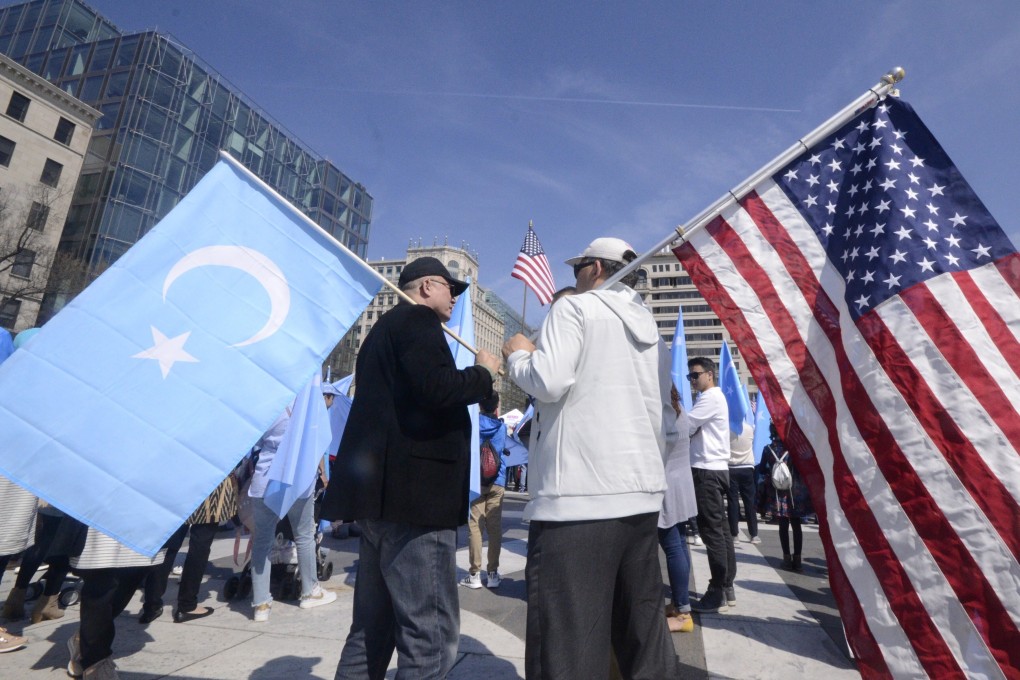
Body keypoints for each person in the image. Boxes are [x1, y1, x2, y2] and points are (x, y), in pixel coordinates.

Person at [502, 237, 679, 679]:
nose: (575, 275)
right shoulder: (653, 334)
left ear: (596, 268)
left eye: (579, 266)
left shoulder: (575, 308)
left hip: (576, 500)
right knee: (641, 635)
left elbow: (548, 380)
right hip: (640, 498)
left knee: (567, 642)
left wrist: (518, 354)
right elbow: (667, 421)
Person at [323, 256, 499, 679]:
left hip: (381, 501)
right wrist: (483, 373)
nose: (454, 296)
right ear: (424, 288)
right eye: (448, 287)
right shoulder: (418, 322)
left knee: (371, 631)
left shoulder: (383, 332)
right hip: (416, 503)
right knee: (430, 637)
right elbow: (438, 389)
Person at [247, 381, 339, 623]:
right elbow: (319, 440)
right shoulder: (308, 404)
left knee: (263, 542)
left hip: (265, 477)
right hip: (298, 477)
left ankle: (261, 604)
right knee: (304, 535)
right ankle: (310, 591)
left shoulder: (266, 403)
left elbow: (253, 441)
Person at [138, 472, 238, 624]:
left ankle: (151, 605)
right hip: (212, 483)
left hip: (180, 483)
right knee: (200, 547)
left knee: (168, 546)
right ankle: (187, 605)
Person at [687, 356, 736, 613]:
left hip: (707, 469)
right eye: (690, 377)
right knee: (721, 531)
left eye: (695, 375)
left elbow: (687, 426)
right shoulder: (713, 398)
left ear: (709, 374)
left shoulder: (709, 398)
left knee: (712, 532)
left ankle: (717, 590)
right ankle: (726, 585)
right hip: (715, 469)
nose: (692, 380)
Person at [659, 385, 698, 634]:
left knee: (673, 547)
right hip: (681, 484)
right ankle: (678, 604)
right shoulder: (680, 411)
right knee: (680, 545)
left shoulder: (665, 415)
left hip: (667, 486)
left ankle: (683, 613)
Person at [461, 392, 508, 590]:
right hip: (497, 480)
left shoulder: (472, 424)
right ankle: (493, 573)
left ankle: (474, 574)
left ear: (479, 405)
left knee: (475, 527)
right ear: (496, 405)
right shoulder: (502, 427)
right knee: (494, 528)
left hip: (476, 481)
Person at [762, 424, 813, 571]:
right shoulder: (793, 450)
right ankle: (797, 560)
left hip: (778, 492)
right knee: (796, 525)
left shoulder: (768, 449)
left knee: (783, 525)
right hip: (794, 492)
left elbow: (763, 469)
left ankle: (786, 558)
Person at [727, 422, 760, 543]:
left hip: (732, 467)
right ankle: (754, 534)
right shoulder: (750, 428)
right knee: (749, 502)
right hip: (747, 467)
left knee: (733, 502)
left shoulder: (728, 429)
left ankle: (734, 534)